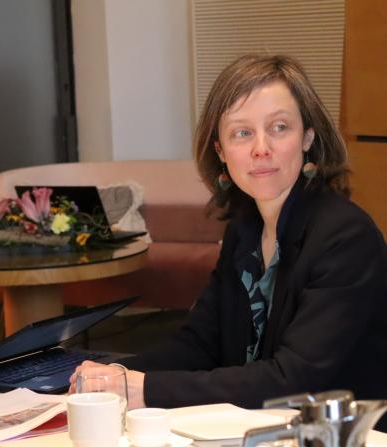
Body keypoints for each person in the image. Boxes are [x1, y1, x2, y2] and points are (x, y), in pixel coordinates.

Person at [71, 54, 387, 413]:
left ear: (308, 138)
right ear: (220, 150)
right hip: (263, 432)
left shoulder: (345, 237)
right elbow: (200, 343)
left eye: (280, 127)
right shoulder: (245, 229)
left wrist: (147, 389)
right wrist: (116, 375)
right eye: (242, 133)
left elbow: (294, 379)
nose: (261, 148)